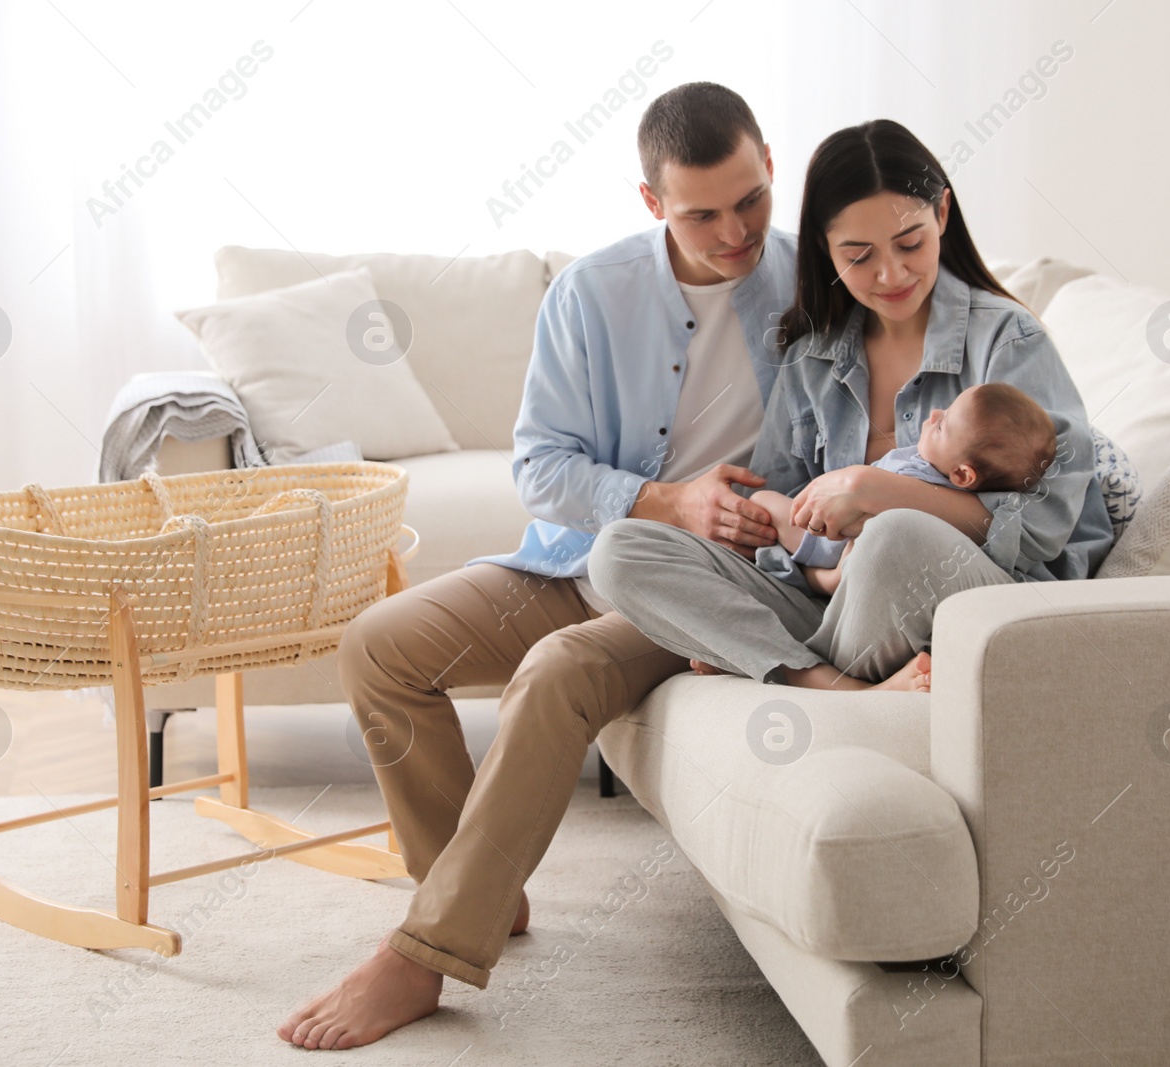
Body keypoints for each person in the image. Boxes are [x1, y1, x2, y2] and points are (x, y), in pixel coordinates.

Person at [277, 82, 798, 1051]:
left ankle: (427, 951)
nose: (735, 231)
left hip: (704, 587)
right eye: (702, 212)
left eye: (751, 199)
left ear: (770, 161)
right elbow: (543, 470)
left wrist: (748, 541)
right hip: (578, 556)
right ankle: (476, 888)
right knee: (380, 647)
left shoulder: (821, 288)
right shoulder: (593, 293)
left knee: (554, 672)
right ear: (651, 204)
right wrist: (666, 498)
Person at [589, 119, 1115, 695]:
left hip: (965, 600)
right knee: (619, 548)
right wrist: (769, 537)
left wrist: (884, 492)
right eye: (859, 255)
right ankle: (832, 684)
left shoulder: (1008, 341)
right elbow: (777, 519)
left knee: (895, 538)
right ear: (823, 246)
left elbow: (1044, 527)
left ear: (942, 214)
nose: (891, 274)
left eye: (911, 243)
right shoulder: (811, 355)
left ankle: (777, 664)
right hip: (830, 598)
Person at [753, 380, 1058, 596]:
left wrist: (835, 574)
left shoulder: (917, 482)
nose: (935, 413)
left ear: (963, 475)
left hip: (823, 538)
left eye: (942, 426)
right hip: (836, 544)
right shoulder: (958, 496)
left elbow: (870, 530)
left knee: (761, 501)